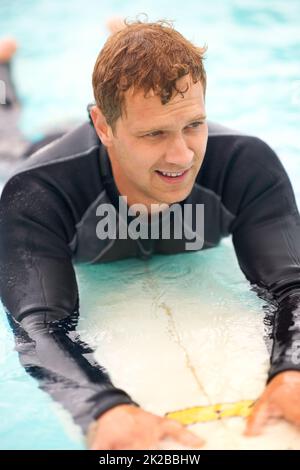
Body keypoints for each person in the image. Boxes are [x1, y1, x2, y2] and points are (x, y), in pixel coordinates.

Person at [0, 20, 300, 450]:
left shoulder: (244, 165)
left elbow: (294, 284)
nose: (182, 156)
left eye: (194, 125)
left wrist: (292, 370)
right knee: (5, 138)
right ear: (102, 126)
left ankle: (130, 52)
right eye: (154, 133)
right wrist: (105, 408)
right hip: (37, 153)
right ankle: (3, 70)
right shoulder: (39, 192)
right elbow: (39, 325)